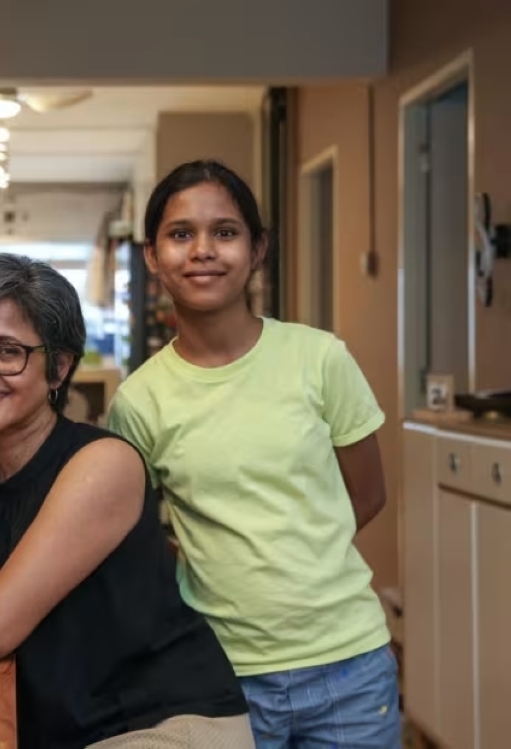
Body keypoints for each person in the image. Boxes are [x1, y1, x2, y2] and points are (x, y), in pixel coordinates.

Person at [0, 254, 253, 749]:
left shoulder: (102, 464)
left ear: (58, 367)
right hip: (55, 729)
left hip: (160, 725)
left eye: (7, 352)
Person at [107, 160, 399, 748]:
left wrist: (295, 551)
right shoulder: (138, 402)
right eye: (181, 234)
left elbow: (366, 495)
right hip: (218, 673)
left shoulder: (320, 359)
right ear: (152, 256)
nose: (203, 251)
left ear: (258, 249)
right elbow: (128, 536)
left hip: (350, 666)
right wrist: (212, 563)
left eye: (226, 232)